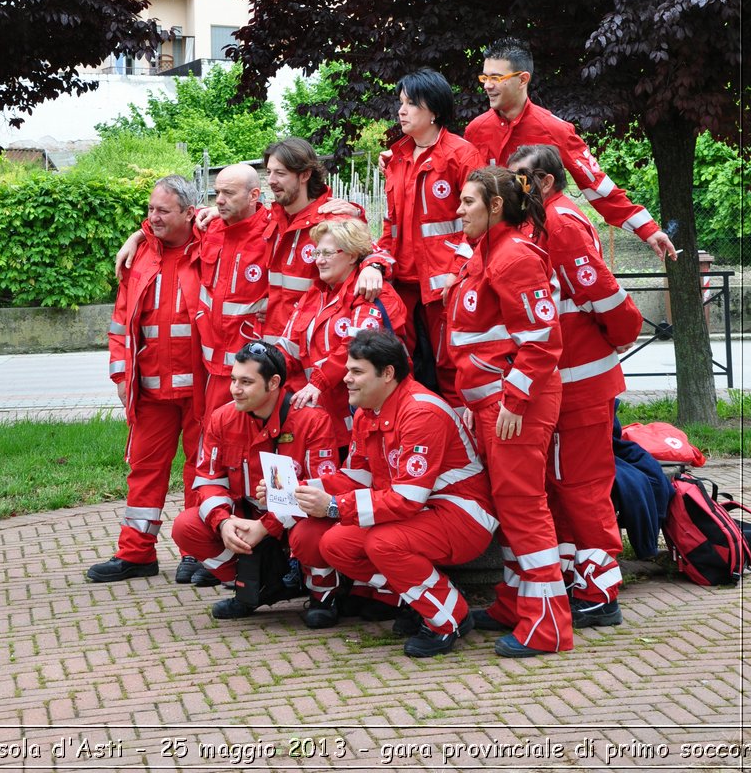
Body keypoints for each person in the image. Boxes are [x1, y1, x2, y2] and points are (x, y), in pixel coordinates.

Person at [293, 331, 498, 658]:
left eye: (357, 372)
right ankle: (421, 599)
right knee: (334, 544)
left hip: (462, 515)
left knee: (382, 543)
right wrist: (301, 490)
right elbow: (356, 477)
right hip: (421, 512)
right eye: (347, 370)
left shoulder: (420, 413)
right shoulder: (367, 411)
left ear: (387, 374)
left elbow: (406, 499)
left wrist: (333, 506)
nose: (345, 379)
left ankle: (449, 618)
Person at [509, 143, 643, 627]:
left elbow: (603, 295)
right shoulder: (543, 220)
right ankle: (574, 579)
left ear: (545, 182)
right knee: (562, 485)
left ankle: (602, 593)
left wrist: (618, 338)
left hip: (580, 383)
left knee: (582, 487)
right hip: (566, 382)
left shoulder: (559, 223)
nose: (512, 187)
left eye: (519, 178)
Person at [446, 167, 573, 658]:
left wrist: (514, 402)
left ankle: (547, 626)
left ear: (495, 207)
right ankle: (513, 603)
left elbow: (542, 341)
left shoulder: (513, 256)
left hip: (513, 405)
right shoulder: (485, 252)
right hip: (493, 402)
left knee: (522, 506)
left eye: (468, 202)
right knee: (508, 505)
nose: (459, 211)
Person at [171, 340, 342, 628]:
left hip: (296, 521)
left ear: (273, 383)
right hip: (247, 518)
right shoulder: (222, 418)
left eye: (246, 382)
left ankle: (323, 594)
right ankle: (250, 589)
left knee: (312, 535)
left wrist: (267, 526)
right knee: (186, 526)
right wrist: (223, 523)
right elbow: (208, 480)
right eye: (234, 379)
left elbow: (322, 491)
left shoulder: (312, 420)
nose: (235, 389)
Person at [86, 176, 203, 585]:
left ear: (190, 213)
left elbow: (247, 222)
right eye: (150, 210)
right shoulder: (140, 257)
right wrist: (120, 372)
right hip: (150, 388)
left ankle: (197, 553)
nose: (152, 217)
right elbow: (121, 323)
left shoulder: (211, 246)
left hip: (201, 389)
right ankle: (136, 554)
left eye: (162, 211)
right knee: (144, 470)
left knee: (200, 472)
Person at [464, 38, 677, 260]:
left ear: (522, 79)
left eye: (496, 78)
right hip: (490, 250)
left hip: (542, 249)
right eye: (485, 77)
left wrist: (647, 229)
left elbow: (596, 184)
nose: (487, 85)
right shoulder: (476, 131)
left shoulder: (555, 129)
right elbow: (468, 195)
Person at [378, 69, 483, 404]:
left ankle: (463, 450)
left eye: (411, 103)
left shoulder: (461, 155)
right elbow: (390, 222)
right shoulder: (396, 157)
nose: (402, 111)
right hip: (401, 281)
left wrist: (459, 272)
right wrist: (378, 262)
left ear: (434, 110)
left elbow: (480, 223)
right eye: (401, 103)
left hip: (445, 282)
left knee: (451, 364)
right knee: (396, 364)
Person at [278, 219, 408, 448]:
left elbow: (356, 346)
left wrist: (317, 383)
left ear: (351, 254)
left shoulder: (370, 291)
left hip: (364, 414)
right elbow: (286, 348)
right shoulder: (315, 294)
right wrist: (263, 372)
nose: (319, 260)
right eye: (317, 252)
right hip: (324, 414)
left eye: (327, 253)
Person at [262, 139, 388, 348]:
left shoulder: (331, 219)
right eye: (269, 172)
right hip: (277, 345)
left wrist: (374, 267)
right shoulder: (273, 219)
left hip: (315, 346)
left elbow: (374, 252)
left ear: (305, 175)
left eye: (280, 173)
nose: (271, 180)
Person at [195, 164, 270, 423]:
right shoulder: (210, 227)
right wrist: (137, 236)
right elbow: (166, 220)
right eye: (217, 193)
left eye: (228, 193)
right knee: (214, 438)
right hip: (211, 368)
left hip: (253, 367)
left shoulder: (273, 233)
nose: (220, 200)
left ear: (254, 195)